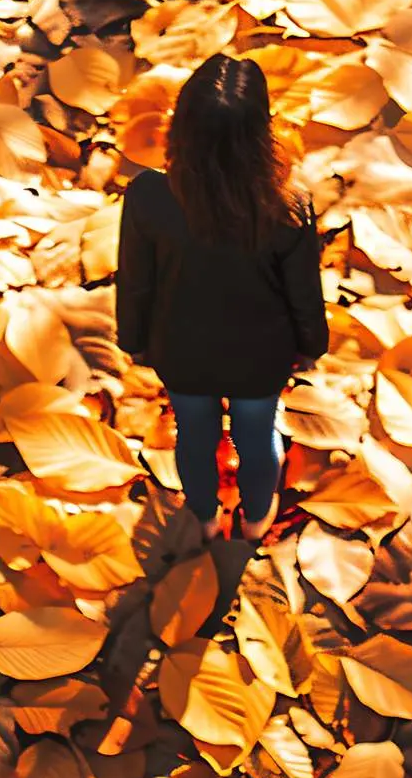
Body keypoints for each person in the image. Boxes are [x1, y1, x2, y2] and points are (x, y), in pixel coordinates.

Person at [114, 52, 330, 543]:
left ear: (182, 125)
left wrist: (135, 340)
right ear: (260, 130)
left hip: (182, 349)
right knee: (257, 438)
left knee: (195, 437)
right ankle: (256, 520)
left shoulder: (150, 195)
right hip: (262, 356)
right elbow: (303, 292)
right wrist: (310, 346)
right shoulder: (286, 204)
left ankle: (206, 519)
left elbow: (136, 280)